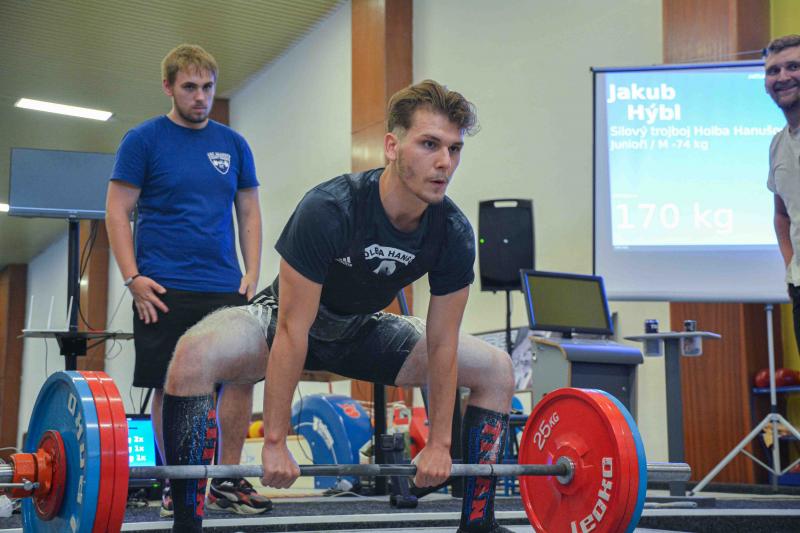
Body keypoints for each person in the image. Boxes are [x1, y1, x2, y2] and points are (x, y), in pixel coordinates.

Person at [161, 79, 516, 533]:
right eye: (429, 144)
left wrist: (440, 443)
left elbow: (442, 342)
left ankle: (478, 523)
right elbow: (292, 329)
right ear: (392, 146)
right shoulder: (330, 208)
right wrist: (274, 440)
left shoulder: (453, 232)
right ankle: (187, 523)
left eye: (454, 148)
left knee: (497, 370)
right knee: (192, 355)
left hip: (362, 329)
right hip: (283, 320)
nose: (445, 162)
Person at [105, 44, 272, 517]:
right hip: (163, 288)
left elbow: (248, 211)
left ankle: (228, 480)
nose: (200, 97)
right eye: (190, 87)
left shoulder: (233, 144)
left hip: (224, 285)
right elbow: (117, 211)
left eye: (208, 87)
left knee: (242, 376)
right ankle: (177, 485)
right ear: (168, 87)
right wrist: (132, 278)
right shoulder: (143, 140)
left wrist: (251, 272)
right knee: (169, 385)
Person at [767, 35, 800, 351]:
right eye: (773, 70)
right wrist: (792, 270)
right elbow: (782, 214)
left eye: (793, 66)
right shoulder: (778, 144)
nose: (782, 77)